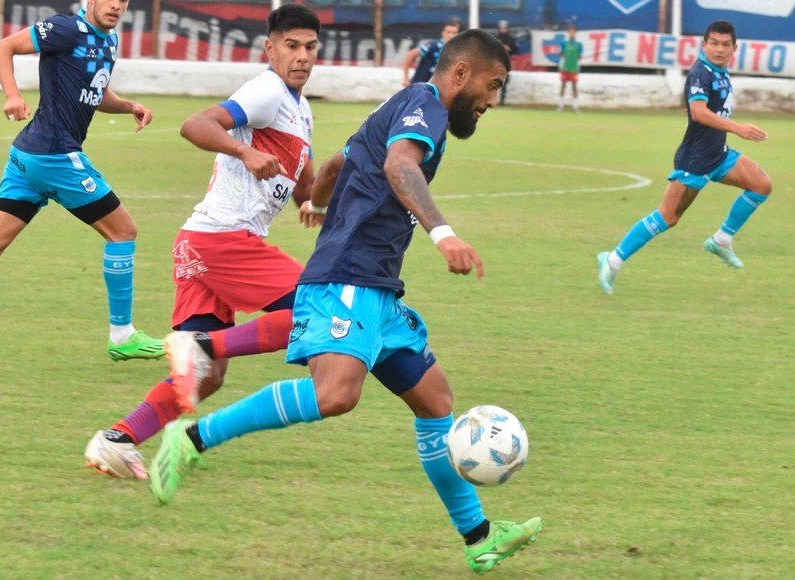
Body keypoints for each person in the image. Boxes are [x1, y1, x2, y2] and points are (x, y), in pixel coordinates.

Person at [149, 29, 543, 575]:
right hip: (348, 279)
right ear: (460, 74)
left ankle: (479, 536)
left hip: (376, 288)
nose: (492, 100)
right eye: (492, 85)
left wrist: (316, 200)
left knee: (435, 402)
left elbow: (336, 163)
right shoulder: (424, 108)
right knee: (335, 395)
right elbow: (399, 167)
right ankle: (192, 436)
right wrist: (443, 234)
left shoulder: (400, 105)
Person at [84, 3, 320, 480]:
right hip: (222, 240)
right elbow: (196, 124)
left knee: (204, 379)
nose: (301, 56)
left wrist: (324, 197)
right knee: (315, 307)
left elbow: (306, 184)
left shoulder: (299, 109)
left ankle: (117, 439)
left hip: (200, 241)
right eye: (291, 46)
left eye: (310, 47)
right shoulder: (266, 91)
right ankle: (204, 344)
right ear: (270, 49)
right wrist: (244, 150)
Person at [0, 0, 163, 362]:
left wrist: (129, 105)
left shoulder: (109, 41)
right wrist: (12, 94)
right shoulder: (67, 29)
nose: (117, 5)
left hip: (29, 154)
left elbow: (94, 94)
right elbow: (2, 47)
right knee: (123, 231)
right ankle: (122, 335)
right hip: (54, 155)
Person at [597, 20, 771, 295]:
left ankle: (722, 239)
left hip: (718, 154)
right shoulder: (701, 73)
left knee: (761, 185)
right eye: (714, 43)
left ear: (734, 48)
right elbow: (699, 112)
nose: (719, 49)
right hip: (696, 161)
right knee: (667, 217)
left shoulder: (720, 71)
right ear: (704, 45)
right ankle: (612, 259)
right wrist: (738, 128)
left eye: (725, 45)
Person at [402, 18, 460, 87]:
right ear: (443, 34)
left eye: (454, 33)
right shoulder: (433, 45)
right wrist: (405, 78)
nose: (451, 36)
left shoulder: (457, 52)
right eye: (448, 32)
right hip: (419, 87)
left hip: (437, 90)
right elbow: (410, 55)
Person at [557, 24, 582, 112]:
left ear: (575, 32)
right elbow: (560, 54)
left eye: (573, 31)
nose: (572, 33)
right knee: (563, 85)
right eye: (570, 31)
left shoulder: (579, 44)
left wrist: (574, 60)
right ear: (568, 33)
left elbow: (579, 56)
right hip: (565, 68)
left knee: (574, 86)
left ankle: (575, 107)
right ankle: (560, 106)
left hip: (574, 68)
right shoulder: (564, 43)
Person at [496, 20, 519, 105]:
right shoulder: (496, 38)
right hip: (496, 62)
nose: (503, 30)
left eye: (504, 28)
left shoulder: (511, 39)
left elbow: (516, 49)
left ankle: (502, 101)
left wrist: (509, 49)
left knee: (504, 82)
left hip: (506, 62)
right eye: (501, 28)